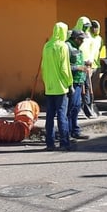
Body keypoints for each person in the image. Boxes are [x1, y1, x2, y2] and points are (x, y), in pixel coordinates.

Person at [41, 22, 74, 151]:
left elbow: (43, 67)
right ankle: (64, 141)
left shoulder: (47, 46)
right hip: (61, 87)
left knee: (49, 115)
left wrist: (46, 82)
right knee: (61, 115)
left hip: (49, 87)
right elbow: (65, 68)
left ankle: (50, 143)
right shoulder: (63, 46)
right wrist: (69, 83)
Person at [66, 29, 90, 141]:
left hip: (80, 81)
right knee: (72, 107)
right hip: (72, 82)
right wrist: (78, 68)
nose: (82, 41)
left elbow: (76, 62)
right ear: (75, 38)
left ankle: (74, 130)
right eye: (81, 39)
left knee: (76, 107)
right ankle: (70, 131)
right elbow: (65, 66)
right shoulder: (68, 47)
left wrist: (84, 64)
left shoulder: (76, 47)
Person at [74, 16, 100, 118]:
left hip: (87, 65)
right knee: (78, 88)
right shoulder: (74, 35)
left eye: (87, 27)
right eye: (84, 26)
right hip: (77, 65)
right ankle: (78, 107)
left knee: (88, 87)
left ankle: (88, 106)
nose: (86, 29)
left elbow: (92, 51)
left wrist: (90, 60)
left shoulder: (89, 37)